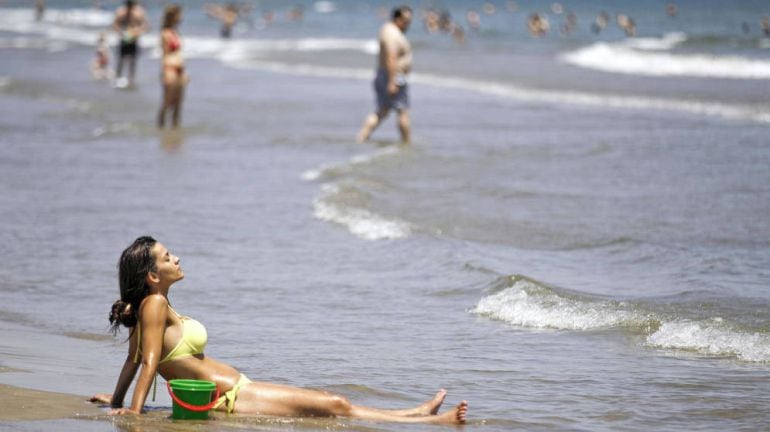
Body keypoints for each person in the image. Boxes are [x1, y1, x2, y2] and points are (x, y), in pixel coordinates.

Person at [89, 236, 468, 424]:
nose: (177, 258)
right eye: (168, 257)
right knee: (334, 404)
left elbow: (132, 360)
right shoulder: (154, 305)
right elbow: (149, 362)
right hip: (233, 397)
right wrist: (134, 414)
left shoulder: (151, 307)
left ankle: (415, 415)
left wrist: (118, 401)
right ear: (153, 275)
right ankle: (427, 418)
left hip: (238, 389)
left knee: (325, 401)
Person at [356, 6, 414, 144]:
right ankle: (407, 144)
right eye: (406, 21)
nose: (408, 24)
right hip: (393, 77)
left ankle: (361, 138)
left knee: (383, 111)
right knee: (402, 112)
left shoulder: (390, 31)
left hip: (389, 76)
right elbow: (391, 58)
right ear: (397, 19)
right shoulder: (391, 33)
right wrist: (392, 82)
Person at [157, 4, 189, 129]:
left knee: (178, 104)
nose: (181, 18)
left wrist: (184, 72)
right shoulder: (165, 33)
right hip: (170, 69)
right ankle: (161, 128)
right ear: (172, 17)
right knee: (167, 102)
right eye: (179, 15)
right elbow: (164, 55)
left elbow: (179, 53)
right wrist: (165, 73)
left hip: (180, 70)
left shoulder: (176, 33)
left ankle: (175, 130)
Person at [112, 0, 149, 88]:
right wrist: (121, 32)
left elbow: (145, 25)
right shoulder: (121, 11)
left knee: (133, 60)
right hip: (124, 37)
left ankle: (131, 80)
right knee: (121, 59)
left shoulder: (139, 12)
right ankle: (118, 78)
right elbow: (115, 24)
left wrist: (138, 32)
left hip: (134, 38)